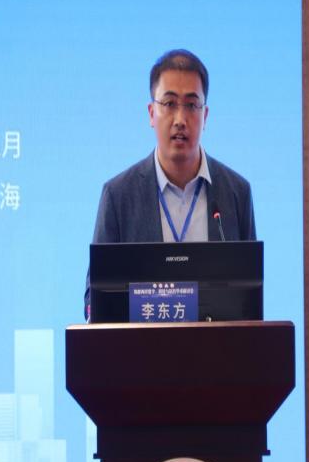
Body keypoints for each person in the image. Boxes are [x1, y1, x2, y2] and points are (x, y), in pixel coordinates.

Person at [84, 49, 256, 318]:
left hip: (216, 346)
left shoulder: (236, 193)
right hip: (141, 345)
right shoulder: (118, 196)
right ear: (151, 113)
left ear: (205, 116)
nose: (180, 119)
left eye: (191, 105)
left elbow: (250, 298)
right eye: (169, 103)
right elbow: (94, 299)